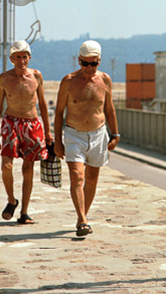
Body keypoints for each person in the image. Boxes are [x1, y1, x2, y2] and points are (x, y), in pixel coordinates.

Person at [54, 40, 120, 237]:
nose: (89, 68)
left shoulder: (105, 80)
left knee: (91, 179)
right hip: (74, 134)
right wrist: (57, 141)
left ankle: (82, 216)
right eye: (85, 63)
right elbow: (58, 112)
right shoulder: (68, 81)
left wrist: (115, 133)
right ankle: (83, 220)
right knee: (77, 176)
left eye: (93, 64)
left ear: (99, 61)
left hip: (99, 133)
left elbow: (109, 108)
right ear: (79, 61)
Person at [0, 40, 51, 224]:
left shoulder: (37, 76)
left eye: (24, 57)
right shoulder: (4, 78)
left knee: (27, 169)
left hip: (32, 125)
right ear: (11, 59)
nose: (21, 60)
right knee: (6, 166)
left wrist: (48, 132)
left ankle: (24, 212)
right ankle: (11, 200)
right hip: (10, 123)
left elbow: (42, 104)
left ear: (29, 57)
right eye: (17, 57)